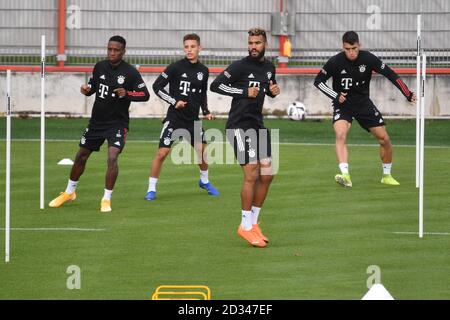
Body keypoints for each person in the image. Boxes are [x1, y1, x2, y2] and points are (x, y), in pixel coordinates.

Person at [49, 35, 150, 212]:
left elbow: (145, 95)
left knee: (112, 157)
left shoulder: (130, 72)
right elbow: (93, 87)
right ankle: (69, 192)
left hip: (117, 124)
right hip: (96, 123)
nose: (112, 53)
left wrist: (127, 93)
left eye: (116, 50)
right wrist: (87, 90)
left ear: (123, 52)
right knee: (81, 156)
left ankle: (106, 199)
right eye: (109, 49)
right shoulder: (99, 66)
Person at [314, 31, 416, 188]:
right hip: (343, 105)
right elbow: (318, 81)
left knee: (385, 139)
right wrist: (335, 95)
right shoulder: (335, 62)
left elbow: (390, 74)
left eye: (354, 48)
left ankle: (386, 175)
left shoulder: (368, 58)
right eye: (347, 49)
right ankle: (345, 175)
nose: (351, 52)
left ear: (359, 45)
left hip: (363, 104)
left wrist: (407, 93)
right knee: (340, 135)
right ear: (343, 47)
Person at [210, 28, 280, 248]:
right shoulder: (240, 66)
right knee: (251, 173)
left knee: (268, 173)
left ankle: (254, 222)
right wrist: (242, 92)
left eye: (257, 43)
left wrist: (272, 91)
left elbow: (265, 88)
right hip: (238, 126)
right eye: (250, 42)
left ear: (265, 44)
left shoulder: (269, 67)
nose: (253, 46)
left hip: (256, 124)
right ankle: (244, 226)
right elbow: (216, 85)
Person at [145, 33, 219, 200]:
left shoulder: (203, 71)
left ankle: (204, 181)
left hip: (193, 120)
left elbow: (202, 93)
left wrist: (206, 111)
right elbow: (157, 86)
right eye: (186, 47)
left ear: (200, 48)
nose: (189, 50)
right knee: (162, 153)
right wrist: (174, 101)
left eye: (193, 47)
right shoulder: (175, 67)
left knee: (202, 152)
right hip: (175, 118)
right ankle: (151, 189)